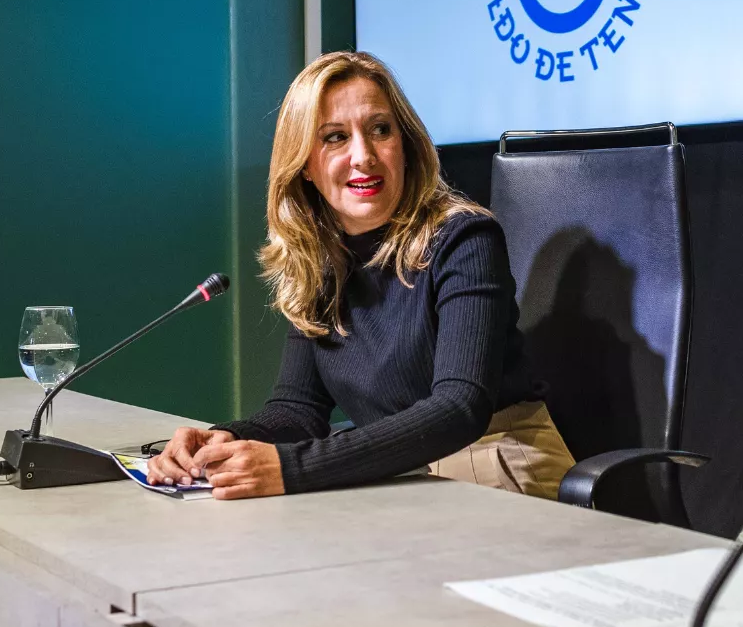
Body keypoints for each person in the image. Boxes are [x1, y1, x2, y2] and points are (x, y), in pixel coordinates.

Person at [147, 51, 575, 500]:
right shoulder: (319, 262)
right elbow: (298, 409)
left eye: (380, 130)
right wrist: (221, 441)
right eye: (335, 137)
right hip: (402, 469)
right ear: (305, 166)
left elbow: (459, 407)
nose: (363, 155)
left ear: (405, 144)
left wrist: (292, 467)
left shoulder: (464, 237)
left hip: (495, 458)